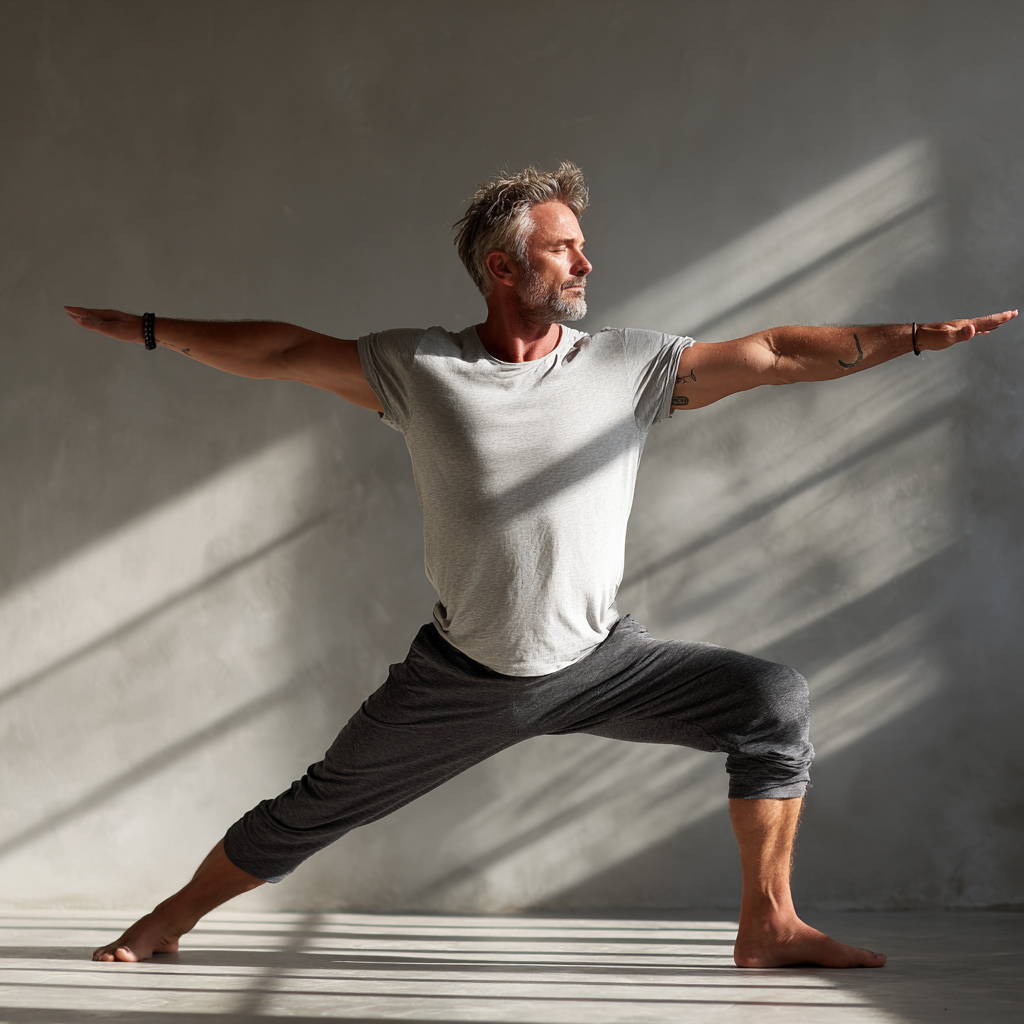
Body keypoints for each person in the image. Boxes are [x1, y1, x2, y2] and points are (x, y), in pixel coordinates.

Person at [66, 162, 1015, 969]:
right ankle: (168, 921)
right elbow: (281, 350)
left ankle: (767, 922)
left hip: (602, 662)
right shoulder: (421, 369)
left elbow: (769, 352)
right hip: (464, 679)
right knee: (318, 805)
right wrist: (152, 328)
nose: (586, 261)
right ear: (503, 266)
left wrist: (918, 340)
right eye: (565, 247)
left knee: (772, 701)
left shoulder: (627, 370)